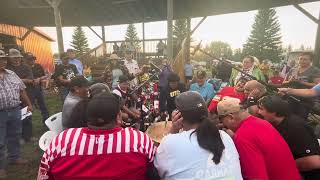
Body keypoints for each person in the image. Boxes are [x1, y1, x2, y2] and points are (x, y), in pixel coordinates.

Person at [37, 92, 156, 180]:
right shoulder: (139, 139)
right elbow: (155, 170)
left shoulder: (62, 140)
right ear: (118, 117)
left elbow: (43, 176)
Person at [154, 92, 243, 180]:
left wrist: (173, 129)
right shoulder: (224, 136)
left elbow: (158, 170)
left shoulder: (170, 142)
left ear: (179, 117)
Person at [217, 97, 301, 180]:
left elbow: (256, 177)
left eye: (222, 121)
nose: (224, 125)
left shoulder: (243, 136)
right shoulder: (262, 122)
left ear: (230, 117)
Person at [258, 95, 320, 180]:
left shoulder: (295, 127)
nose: (259, 112)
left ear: (274, 111)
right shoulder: (275, 124)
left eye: (261, 109)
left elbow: (314, 161)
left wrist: (283, 165)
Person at [0, 50, 32, 179]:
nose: (2, 61)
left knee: (15, 134)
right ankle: (1, 167)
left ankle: (14, 157)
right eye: (0, 59)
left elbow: (22, 90)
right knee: (0, 141)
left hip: (15, 110)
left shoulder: (12, 74)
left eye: (3, 59)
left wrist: (29, 104)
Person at [6, 49, 35, 143]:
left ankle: (28, 136)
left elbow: (31, 80)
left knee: (27, 115)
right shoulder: (7, 68)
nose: (16, 59)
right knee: (16, 118)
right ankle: (19, 137)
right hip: (13, 96)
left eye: (18, 57)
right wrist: (23, 79)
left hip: (27, 93)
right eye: (14, 57)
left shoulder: (26, 67)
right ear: (9, 58)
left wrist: (15, 80)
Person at [283, 52, 320, 118]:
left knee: (299, 118)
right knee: (287, 117)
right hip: (291, 97)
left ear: (310, 60)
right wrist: (290, 81)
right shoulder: (293, 69)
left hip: (305, 101)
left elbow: (317, 85)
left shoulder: (314, 70)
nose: (302, 61)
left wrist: (301, 82)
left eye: (305, 59)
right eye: (300, 59)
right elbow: (283, 83)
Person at [24, 52, 49, 123]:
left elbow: (45, 75)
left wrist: (39, 79)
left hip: (38, 88)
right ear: (25, 60)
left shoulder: (38, 66)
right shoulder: (24, 68)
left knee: (43, 105)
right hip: (28, 90)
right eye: (29, 59)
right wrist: (31, 81)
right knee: (29, 106)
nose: (32, 60)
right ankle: (28, 124)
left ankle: (46, 121)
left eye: (33, 59)